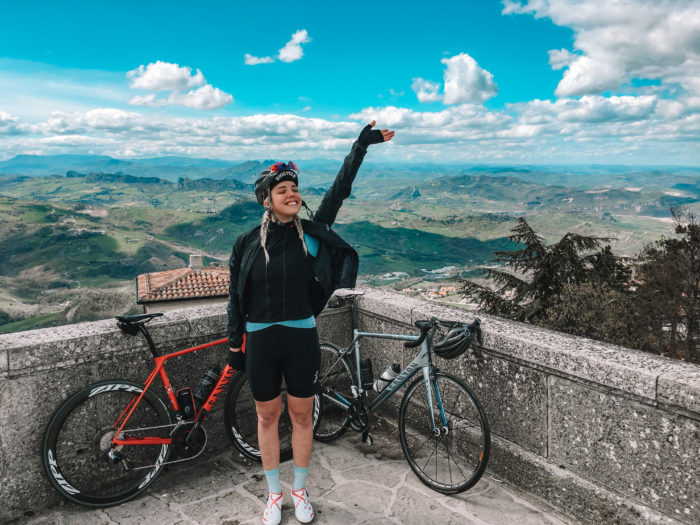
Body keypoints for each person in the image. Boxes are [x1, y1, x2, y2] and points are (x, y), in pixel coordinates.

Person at [227, 121, 394, 524]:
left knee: (302, 417)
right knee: (267, 418)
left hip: (302, 338)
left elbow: (340, 190)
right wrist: (236, 346)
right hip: (261, 341)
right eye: (282, 190)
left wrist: (360, 147)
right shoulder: (247, 243)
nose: (291, 194)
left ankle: (299, 491)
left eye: (294, 189)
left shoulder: (312, 235)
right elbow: (235, 298)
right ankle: (273, 495)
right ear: (267, 199)